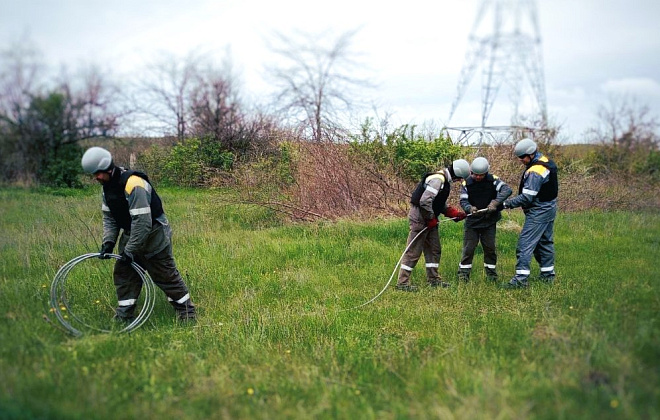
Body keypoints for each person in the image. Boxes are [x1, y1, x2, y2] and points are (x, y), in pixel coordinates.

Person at [81, 146, 197, 321]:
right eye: (93, 175)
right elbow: (110, 218)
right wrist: (109, 243)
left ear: (107, 167)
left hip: (154, 235)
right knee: (125, 274)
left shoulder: (133, 184)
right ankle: (124, 316)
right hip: (132, 234)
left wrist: (130, 250)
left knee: (165, 275)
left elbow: (143, 223)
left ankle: (187, 313)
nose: (96, 178)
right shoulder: (107, 187)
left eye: (98, 173)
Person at [395, 159, 470, 292]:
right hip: (420, 217)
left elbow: (437, 202)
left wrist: (452, 213)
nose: (459, 181)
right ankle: (402, 283)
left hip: (429, 216)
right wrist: (430, 218)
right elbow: (424, 201)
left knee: (434, 249)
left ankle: (433, 279)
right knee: (413, 251)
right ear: (457, 175)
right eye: (459, 179)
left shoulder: (443, 180)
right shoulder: (438, 180)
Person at [501, 139, 558, 288]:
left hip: (539, 211)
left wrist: (506, 204)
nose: (520, 160)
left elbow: (527, 197)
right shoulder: (546, 161)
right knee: (544, 243)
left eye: (522, 157)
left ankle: (520, 280)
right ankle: (547, 276)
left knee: (525, 244)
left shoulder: (535, 171)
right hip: (549, 208)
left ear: (531, 154)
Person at [457, 157, 512, 282]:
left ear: (486, 173)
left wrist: (496, 202)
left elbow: (507, 190)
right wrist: (469, 208)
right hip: (472, 222)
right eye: (475, 174)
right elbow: (463, 200)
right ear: (471, 172)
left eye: (480, 175)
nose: (477, 177)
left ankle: (491, 276)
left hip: (489, 221)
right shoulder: (467, 183)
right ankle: (463, 276)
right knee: (468, 249)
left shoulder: (494, 180)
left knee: (490, 248)